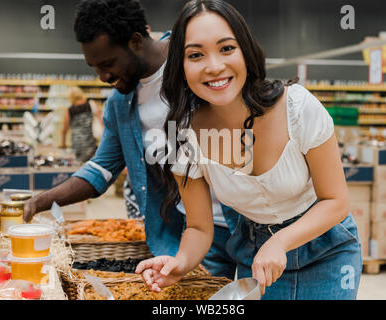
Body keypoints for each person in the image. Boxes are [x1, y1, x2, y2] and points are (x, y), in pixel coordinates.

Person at [136, 0, 362, 300]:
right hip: (257, 262)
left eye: (227, 48)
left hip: (327, 250)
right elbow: (200, 228)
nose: (214, 66)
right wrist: (180, 263)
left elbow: (335, 201)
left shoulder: (297, 108)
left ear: (246, 51)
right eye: (196, 55)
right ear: (180, 65)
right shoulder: (183, 137)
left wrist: (280, 241)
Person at [23, 0, 238, 279]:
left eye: (108, 63)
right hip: (190, 233)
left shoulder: (194, 62)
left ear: (136, 41)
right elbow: (101, 169)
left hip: (244, 224)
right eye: (94, 67)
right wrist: (39, 201)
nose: (102, 77)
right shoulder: (120, 104)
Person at [61, 86, 103, 162]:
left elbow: (65, 129)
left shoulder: (69, 110)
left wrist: (63, 144)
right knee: (92, 162)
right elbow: (101, 122)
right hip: (90, 141)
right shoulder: (91, 104)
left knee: (79, 163)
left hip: (77, 143)